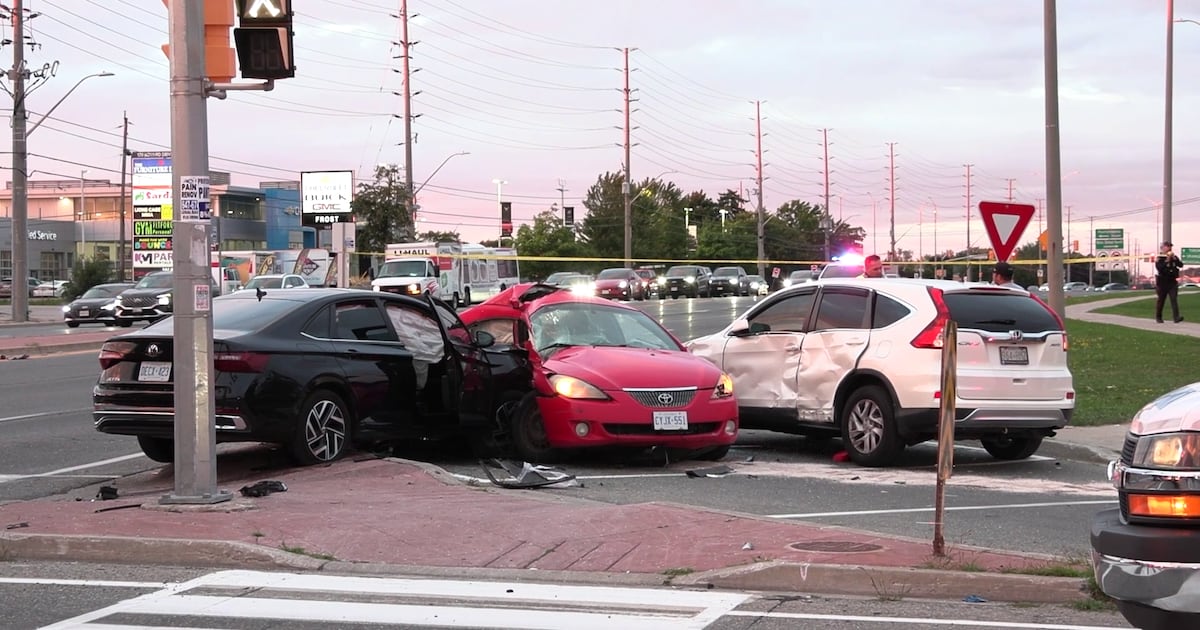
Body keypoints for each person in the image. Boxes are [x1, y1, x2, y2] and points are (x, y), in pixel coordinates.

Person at [1155, 240, 1184, 323]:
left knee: (1174, 299)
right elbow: (1159, 268)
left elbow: (1181, 265)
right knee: (1161, 300)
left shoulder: (1173, 256)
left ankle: (1176, 317)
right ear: (1162, 248)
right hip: (1162, 282)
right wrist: (1166, 261)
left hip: (1172, 282)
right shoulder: (1160, 258)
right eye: (1167, 246)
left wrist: (1174, 259)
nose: (1169, 248)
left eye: (1170, 246)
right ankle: (1158, 317)